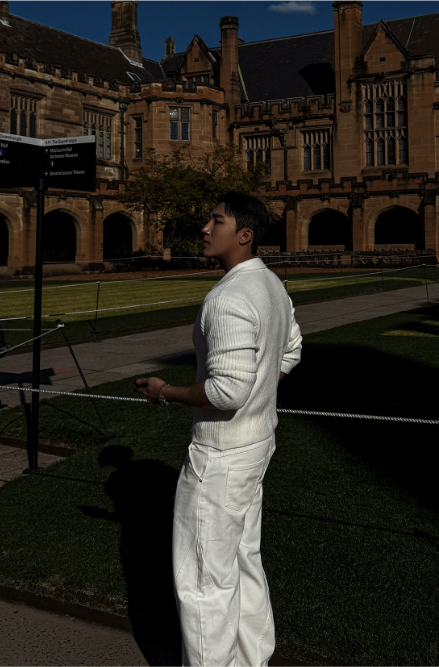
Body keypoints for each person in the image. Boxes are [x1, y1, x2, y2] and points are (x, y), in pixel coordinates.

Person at [134, 191, 302, 666]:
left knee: (204, 580)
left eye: (216, 221)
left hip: (223, 455)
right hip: (256, 445)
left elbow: (228, 392)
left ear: (244, 235)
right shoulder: (270, 283)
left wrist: (165, 391)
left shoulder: (229, 296)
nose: (205, 229)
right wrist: (260, 388)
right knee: (243, 561)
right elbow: (291, 350)